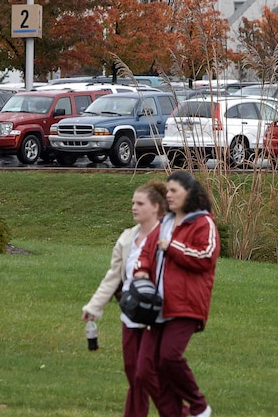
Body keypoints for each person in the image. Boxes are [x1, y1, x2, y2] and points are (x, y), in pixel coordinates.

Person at [134, 170, 220, 417]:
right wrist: (141, 271)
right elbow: (146, 252)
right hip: (155, 307)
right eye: (167, 190)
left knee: (169, 358)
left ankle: (199, 407)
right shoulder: (165, 223)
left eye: (174, 191)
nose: (168, 195)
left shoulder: (204, 223)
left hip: (185, 305)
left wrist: (172, 246)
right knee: (145, 371)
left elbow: (206, 256)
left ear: (189, 194)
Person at [82, 180, 170, 417]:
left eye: (139, 203)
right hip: (131, 313)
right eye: (133, 202)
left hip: (158, 315)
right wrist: (93, 307)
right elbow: (113, 277)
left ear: (155, 207)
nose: (134, 207)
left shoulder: (167, 237)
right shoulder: (126, 238)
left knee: (145, 373)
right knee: (134, 373)